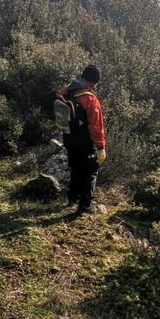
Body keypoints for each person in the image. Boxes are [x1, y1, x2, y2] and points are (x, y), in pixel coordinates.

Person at [58, 65, 107, 215]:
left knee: (76, 168)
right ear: (95, 82)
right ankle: (85, 206)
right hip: (84, 141)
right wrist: (101, 147)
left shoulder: (66, 91)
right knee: (91, 171)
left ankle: (72, 198)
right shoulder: (90, 99)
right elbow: (95, 126)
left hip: (68, 138)